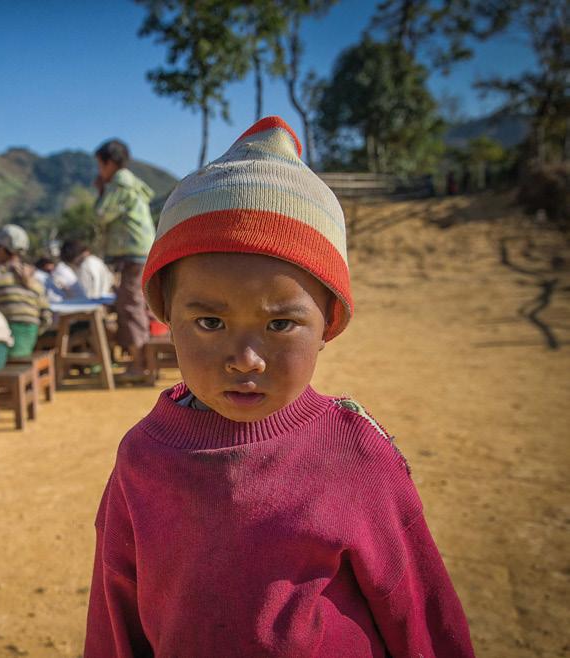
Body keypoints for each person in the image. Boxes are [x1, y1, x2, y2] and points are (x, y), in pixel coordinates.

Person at [84, 117, 474, 657]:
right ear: (166, 317)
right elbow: (114, 617)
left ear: (329, 321)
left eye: (280, 325)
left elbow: (418, 615)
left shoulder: (358, 456)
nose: (245, 360)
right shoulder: (142, 459)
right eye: (210, 323)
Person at [93, 139, 155, 380]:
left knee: (129, 306)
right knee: (136, 304)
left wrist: (100, 191)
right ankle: (141, 361)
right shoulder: (133, 183)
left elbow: (101, 214)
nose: (100, 172)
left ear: (109, 163)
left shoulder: (119, 182)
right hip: (140, 251)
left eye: (100, 165)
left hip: (133, 252)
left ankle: (138, 365)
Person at [0, 224, 52, 358]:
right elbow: (46, 316)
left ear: (2, 249)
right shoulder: (33, 278)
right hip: (29, 339)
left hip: (6, 338)